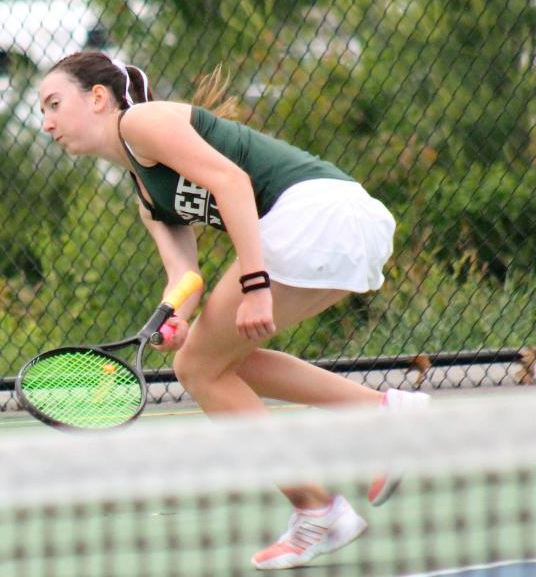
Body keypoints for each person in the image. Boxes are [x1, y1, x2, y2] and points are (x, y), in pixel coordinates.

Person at [38, 51, 430, 570]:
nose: (46, 123)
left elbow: (232, 183)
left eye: (54, 104)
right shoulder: (145, 194)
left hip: (316, 213)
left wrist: (255, 285)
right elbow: (186, 276)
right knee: (213, 361)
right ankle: (382, 419)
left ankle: (320, 510)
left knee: (197, 368)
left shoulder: (142, 122)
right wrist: (171, 314)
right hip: (339, 223)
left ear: (97, 98)